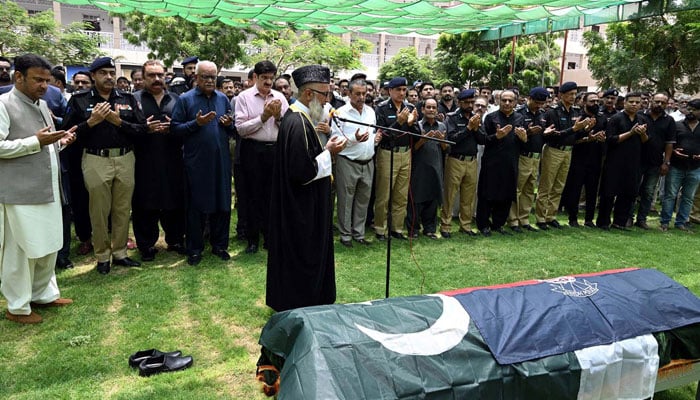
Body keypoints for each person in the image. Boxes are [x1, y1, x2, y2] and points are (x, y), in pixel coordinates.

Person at [0, 53, 76, 324]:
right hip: (19, 193)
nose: (45, 86)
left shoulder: (42, 105)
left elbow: (44, 144)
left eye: (47, 80)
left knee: (49, 244)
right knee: (22, 250)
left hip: (48, 187)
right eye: (38, 80)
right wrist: (36, 141)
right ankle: (18, 307)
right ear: (18, 77)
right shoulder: (4, 104)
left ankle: (43, 294)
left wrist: (61, 140)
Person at [266, 64, 347, 312]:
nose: (327, 101)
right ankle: (304, 300)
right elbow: (302, 171)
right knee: (302, 254)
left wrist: (325, 151)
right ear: (309, 94)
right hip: (301, 208)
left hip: (301, 203)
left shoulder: (298, 118)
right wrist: (330, 152)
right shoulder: (298, 122)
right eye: (324, 95)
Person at [62, 56, 150, 274]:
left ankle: (120, 253)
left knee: (122, 208)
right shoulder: (79, 100)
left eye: (112, 72)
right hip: (95, 159)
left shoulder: (127, 99)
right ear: (93, 76)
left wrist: (118, 121)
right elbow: (67, 134)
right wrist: (90, 123)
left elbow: (141, 130)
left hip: (125, 158)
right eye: (103, 73)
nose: (109, 77)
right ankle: (102, 256)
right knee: (99, 210)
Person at [171, 60, 235, 265]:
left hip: (221, 161)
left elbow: (231, 130)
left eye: (213, 77)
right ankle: (195, 249)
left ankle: (219, 245)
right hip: (196, 162)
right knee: (196, 207)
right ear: (196, 78)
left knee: (222, 204)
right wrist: (196, 123)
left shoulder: (223, 98)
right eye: (205, 77)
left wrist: (229, 124)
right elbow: (175, 129)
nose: (209, 80)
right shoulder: (185, 100)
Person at [132, 60, 186, 261]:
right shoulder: (134, 99)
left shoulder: (176, 99)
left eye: (160, 75)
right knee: (145, 203)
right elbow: (126, 127)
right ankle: (146, 245)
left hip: (173, 158)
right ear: (143, 77)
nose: (156, 79)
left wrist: (175, 128)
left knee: (174, 201)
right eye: (151, 76)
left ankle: (175, 240)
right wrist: (144, 128)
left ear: (165, 76)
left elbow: (185, 126)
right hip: (143, 159)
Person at [235, 60, 289, 254]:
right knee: (252, 195)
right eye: (264, 78)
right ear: (255, 77)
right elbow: (240, 129)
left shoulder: (280, 97)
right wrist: (263, 118)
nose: (268, 82)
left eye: (271, 78)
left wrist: (278, 118)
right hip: (252, 150)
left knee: (272, 195)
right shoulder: (244, 97)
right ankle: (252, 240)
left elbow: (288, 128)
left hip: (274, 150)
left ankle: (270, 237)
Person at [535, 81, 593, 230]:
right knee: (546, 185)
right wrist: (574, 129)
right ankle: (541, 217)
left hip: (568, 151)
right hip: (553, 150)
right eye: (570, 94)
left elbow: (575, 134)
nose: (573, 97)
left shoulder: (575, 112)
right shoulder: (552, 112)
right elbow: (552, 136)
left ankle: (551, 216)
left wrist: (586, 129)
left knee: (559, 186)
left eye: (575, 94)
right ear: (561, 95)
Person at [331, 79, 379, 247]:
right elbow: (335, 140)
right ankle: (345, 236)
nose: (361, 97)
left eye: (364, 94)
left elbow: (372, 133)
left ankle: (359, 233)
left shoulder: (371, 112)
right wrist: (354, 139)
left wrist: (375, 140)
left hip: (368, 162)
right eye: (357, 94)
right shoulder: (340, 113)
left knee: (363, 200)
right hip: (348, 162)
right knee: (345, 200)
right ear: (349, 93)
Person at [475, 90, 528, 236]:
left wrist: (524, 139)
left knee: (506, 193)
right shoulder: (491, 118)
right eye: (504, 100)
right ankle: (483, 224)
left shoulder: (520, 118)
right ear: (499, 101)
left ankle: (498, 223)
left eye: (510, 101)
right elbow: (483, 140)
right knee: (487, 193)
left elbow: (523, 143)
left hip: (510, 162)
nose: (507, 103)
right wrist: (496, 136)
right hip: (492, 162)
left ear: (515, 102)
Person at [373, 77, 419, 241]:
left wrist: (412, 123)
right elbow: (382, 135)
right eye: (398, 90)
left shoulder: (410, 107)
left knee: (401, 195)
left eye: (404, 89)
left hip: (405, 153)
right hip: (387, 152)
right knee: (384, 194)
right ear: (390, 91)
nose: (401, 93)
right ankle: (380, 229)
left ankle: (397, 229)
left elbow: (418, 134)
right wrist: (399, 122)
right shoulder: (382, 108)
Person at [596, 93, 647, 230]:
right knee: (609, 192)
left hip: (634, 161)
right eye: (631, 102)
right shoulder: (616, 118)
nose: (634, 104)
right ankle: (603, 222)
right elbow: (611, 140)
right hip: (615, 161)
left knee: (628, 193)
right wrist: (630, 133)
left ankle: (620, 222)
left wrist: (642, 133)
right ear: (624, 103)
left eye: (637, 102)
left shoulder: (641, 119)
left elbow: (646, 141)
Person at [508, 87, 552, 232]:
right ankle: (513, 220)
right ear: (530, 99)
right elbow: (513, 136)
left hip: (536, 157)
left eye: (542, 103)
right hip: (522, 156)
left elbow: (543, 135)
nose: (539, 106)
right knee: (517, 189)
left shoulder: (542, 114)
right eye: (537, 102)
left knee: (529, 189)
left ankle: (524, 219)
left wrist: (546, 133)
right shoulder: (519, 113)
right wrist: (528, 132)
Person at [441, 89, 481, 238]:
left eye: (472, 102)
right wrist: (468, 128)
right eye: (467, 102)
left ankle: (466, 225)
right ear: (459, 103)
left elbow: (482, 139)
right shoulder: (451, 118)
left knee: (468, 195)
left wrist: (476, 129)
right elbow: (451, 139)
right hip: (455, 160)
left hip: (472, 160)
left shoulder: (476, 117)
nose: (470, 105)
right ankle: (445, 225)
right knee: (450, 194)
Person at [562, 92, 606, 228]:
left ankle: (589, 219)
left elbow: (606, 135)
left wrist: (601, 138)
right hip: (578, 158)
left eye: (598, 101)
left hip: (596, 158)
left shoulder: (602, 118)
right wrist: (587, 136)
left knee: (592, 191)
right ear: (584, 102)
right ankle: (573, 218)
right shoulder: (578, 117)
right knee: (575, 189)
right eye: (592, 101)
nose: (596, 104)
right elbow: (572, 139)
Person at [406, 98, 448, 239]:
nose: (431, 110)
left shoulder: (441, 126)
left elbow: (446, 149)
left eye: (434, 107)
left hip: (435, 166)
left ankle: (430, 229)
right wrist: (423, 139)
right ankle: (414, 229)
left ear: (437, 110)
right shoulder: (416, 126)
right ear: (422, 109)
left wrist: (442, 140)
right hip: (419, 168)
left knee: (432, 198)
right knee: (416, 198)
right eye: (428, 107)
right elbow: (412, 149)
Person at [634, 93, 676, 229]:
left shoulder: (669, 120)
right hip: (637, 159)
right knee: (632, 189)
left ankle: (641, 219)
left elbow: (670, 143)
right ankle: (627, 217)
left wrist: (666, 162)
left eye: (663, 103)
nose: (659, 105)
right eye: (657, 101)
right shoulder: (639, 115)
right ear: (651, 101)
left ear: (667, 104)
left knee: (648, 192)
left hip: (655, 161)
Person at [660, 99, 700, 232]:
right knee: (670, 195)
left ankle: (681, 222)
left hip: (695, 167)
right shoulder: (676, 125)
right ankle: (665, 222)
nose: (690, 112)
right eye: (689, 109)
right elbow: (669, 143)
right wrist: (675, 151)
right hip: (676, 166)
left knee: (688, 197)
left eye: (694, 110)